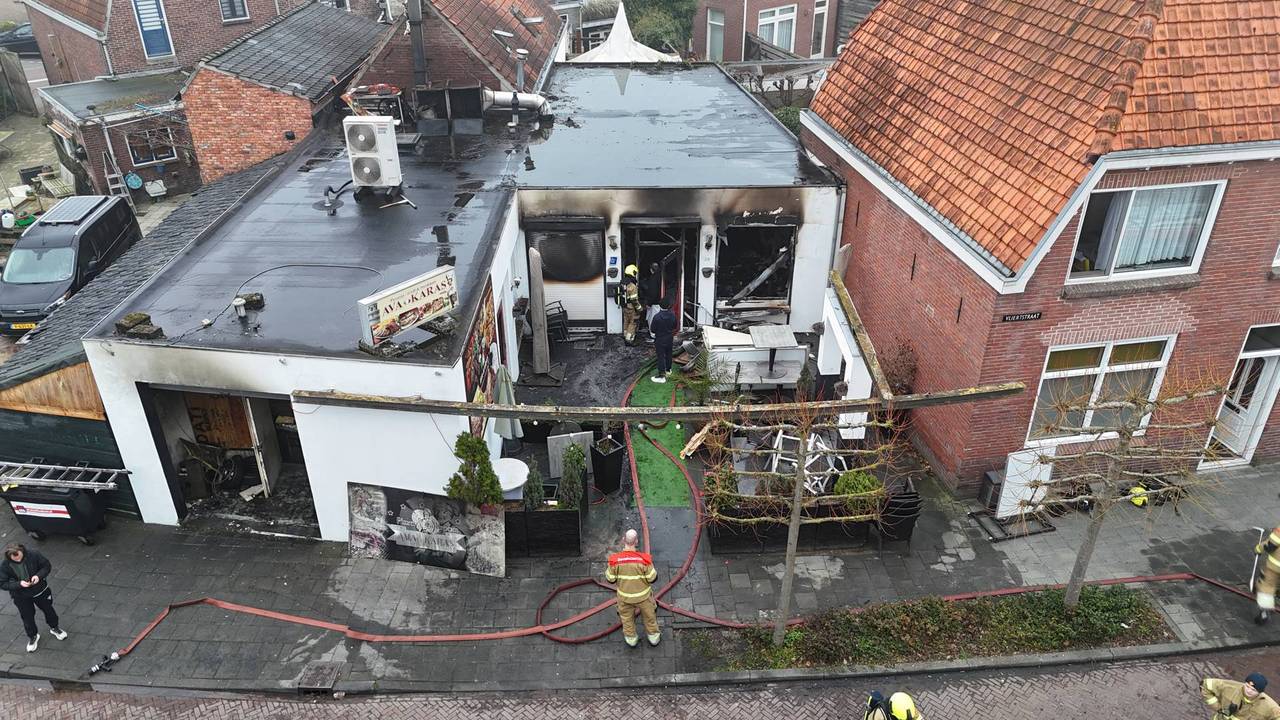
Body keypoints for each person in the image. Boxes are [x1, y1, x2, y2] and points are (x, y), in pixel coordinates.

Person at [0, 544, 67, 653]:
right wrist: (19, 584)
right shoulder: (4, 566)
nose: (18, 560)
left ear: (22, 551)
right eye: (15, 559)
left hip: (41, 591)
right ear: (9, 557)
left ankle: (55, 628)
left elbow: (46, 566)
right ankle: (33, 636)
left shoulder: (34, 555)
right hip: (21, 597)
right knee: (27, 617)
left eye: (20, 557)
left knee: (49, 610)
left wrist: (38, 576)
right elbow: (2, 583)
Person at [604, 528, 659, 648]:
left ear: (623, 540)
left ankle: (631, 639)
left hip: (624, 598)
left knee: (627, 619)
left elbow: (610, 579)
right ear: (637, 541)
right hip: (644, 597)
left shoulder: (614, 560)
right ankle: (653, 637)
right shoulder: (645, 560)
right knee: (650, 617)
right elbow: (652, 578)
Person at [1202, 672, 1280, 719]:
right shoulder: (1230, 687)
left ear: (1260, 692)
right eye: (1247, 686)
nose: (1248, 690)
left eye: (1253, 690)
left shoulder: (1270, 706)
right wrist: (1218, 707)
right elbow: (1205, 685)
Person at [1254, 526, 1280, 624]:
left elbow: (1270, 546)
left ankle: (1264, 613)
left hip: (1275, 566)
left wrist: (1258, 548)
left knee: (1266, 586)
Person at [649, 297, 676, 383]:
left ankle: (661, 376)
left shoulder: (657, 317)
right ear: (669, 306)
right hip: (669, 338)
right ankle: (668, 371)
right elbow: (674, 326)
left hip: (660, 339)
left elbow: (652, 329)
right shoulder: (672, 315)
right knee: (669, 354)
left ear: (660, 306)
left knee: (661, 356)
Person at [618, 264, 643, 345]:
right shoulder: (632, 286)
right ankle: (629, 340)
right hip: (632, 308)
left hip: (624, 306)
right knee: (633, 323)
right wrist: (639, 308)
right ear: (632, 273)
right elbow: (634, 300)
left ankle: (625, 336)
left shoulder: (622, 283)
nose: (635, 274)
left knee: (626, 321)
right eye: (635, 273)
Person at [639, 262, 663, 335]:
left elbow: (653, 292)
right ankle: (655, 334)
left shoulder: (653, 278)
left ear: (651, 270)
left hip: (655, 303)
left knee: (652, 320)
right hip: (660, 302)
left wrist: (649, 303)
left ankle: (653, 335)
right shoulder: (662, 276)